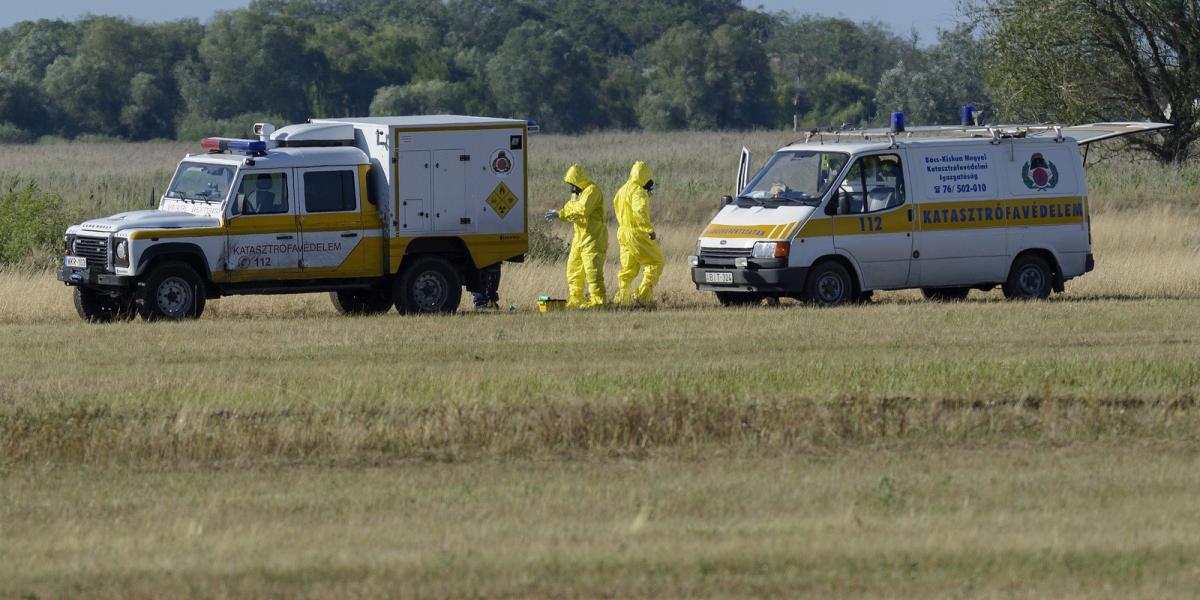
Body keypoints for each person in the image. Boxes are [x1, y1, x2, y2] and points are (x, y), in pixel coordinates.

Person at [545, 164, 607, 308]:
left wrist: (562, 213)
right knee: (573, 271)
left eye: (573, 183)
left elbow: (582, 209)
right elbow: (570, 207)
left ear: (578, 180)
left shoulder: (592, 191)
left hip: (593, 239)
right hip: (579, 239)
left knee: (593, 273)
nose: (572, 187)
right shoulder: (578, 195)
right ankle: (576, 300)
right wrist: (564, 210)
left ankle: (598, 302)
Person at [612, 160, 664, 307]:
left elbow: (616, 205)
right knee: (657, 261)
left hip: (622, 232)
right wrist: (649, 230)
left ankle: (622, 300)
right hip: (635, 233)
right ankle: (642, 295)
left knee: (629, 268)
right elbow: (639, 212)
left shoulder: (622, 190)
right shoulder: (639, 192)